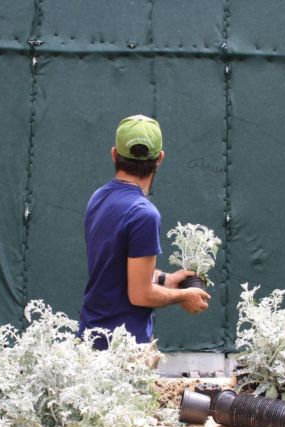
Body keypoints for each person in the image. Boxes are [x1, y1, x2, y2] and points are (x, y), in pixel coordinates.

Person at [79, 114, 211, 349]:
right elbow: (140, 294)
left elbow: (116, 269)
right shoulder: (144, 214)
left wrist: (165, 279)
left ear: (113, 154)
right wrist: (184, 295)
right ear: (160, 159)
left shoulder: (97, 198)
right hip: (124, 351)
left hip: (90, 340)